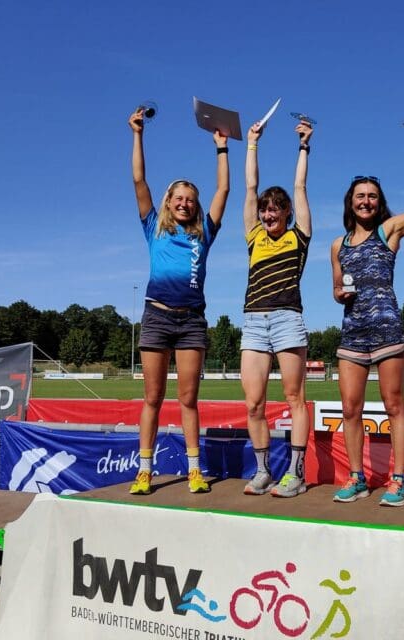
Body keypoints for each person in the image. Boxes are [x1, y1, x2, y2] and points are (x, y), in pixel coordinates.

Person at [331, 141, 404, 506]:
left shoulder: (390, 231)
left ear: (378, 201)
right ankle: (356, 477)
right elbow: (336, 288)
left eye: (371, 196)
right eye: (359, 196)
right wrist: (340, 294)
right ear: (350, 202)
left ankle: (399, 480)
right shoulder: (337, 244)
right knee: (350, 409)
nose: (365, 201)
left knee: (393, 405)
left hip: (387, 330)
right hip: (352, 333)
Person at [127, 107, 229, 495]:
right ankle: (144, 471)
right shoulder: (153, 225)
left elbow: (223, 192)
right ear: (168, 202)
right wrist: (138, 134)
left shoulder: (204, 233)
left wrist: (222, 149)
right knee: (152, 398)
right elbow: (139, 179)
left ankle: (193, 471)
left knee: (188, 399)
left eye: (190, 199)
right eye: (178, 198)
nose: (184, 203)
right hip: (156, 316)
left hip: (191, 323)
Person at [241, 119, 313, 498]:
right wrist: (252, 144)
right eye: (265, 210)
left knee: (294, 399)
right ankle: (264, 470)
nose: (268, 215)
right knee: (254, 404)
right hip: (253, 321)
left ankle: (297, 475)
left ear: (286, 213)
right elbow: (250, 187)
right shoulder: (253, 236)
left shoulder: (298, 237)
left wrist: (303, 147)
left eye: (275, 210)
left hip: (287, 319)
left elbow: (300, 186)